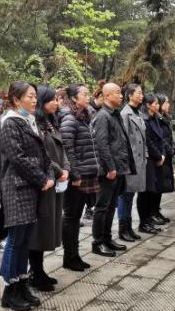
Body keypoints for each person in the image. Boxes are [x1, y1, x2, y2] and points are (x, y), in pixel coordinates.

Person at [0, 82, 53, 311]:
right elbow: (17, 158)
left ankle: (21, 285)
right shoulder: (10, 122)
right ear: (16, 99)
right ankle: (9, 290)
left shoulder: (28, 120)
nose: (34, 100)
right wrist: (41, 178)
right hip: (17, 187)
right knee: (15, 240)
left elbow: (43, 154)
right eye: (30, 96)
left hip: (31, 186)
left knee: (25, 240)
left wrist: (50, 173)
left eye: (35, 96)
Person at [29, 85, 69, 291]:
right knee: (40, 229)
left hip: (57, 181)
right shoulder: (34, 124)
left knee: (50, 227)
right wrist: (59, 170)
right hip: (44, 181)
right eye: (52, 99)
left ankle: (40, 270)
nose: (56, 102)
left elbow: (62, 150)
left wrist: (66, 168)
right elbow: (41, 154)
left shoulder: (51, 122)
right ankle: (35, 272)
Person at [59, 84, 96, 271]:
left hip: (86, 172)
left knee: (76, 216)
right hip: (77, 175)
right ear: (74, 98)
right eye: (84, 94)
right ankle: (69, 256)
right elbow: (67, 148)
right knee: (71, 216)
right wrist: (75, 173)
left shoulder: (84, 117)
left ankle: (75, 254)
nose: (88, 97)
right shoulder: (69, 118)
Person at [90, 82, 130, 257]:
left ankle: (107, 238)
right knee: (102, 206)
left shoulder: (115, 114)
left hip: (118, 168)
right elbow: (102, 144)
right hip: (109, 170)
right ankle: (98, 242)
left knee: (112, 205)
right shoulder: (102, 116)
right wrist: (110, 167)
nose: (121, 96)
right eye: (118, 93)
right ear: (107, 96)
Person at [118, 82, 147, 242]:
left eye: (142, 93)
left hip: (139, 161)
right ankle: (123, 228)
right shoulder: (125, 114)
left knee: (131, 195)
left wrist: (145, 156)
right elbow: (123, 141)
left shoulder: (138, 113)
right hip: (130, 162)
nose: (141, 95)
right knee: (125, 196)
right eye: (139, 93)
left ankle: (128, 227)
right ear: (130, 95)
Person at [137, 93, 167, 234]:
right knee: (146, 192)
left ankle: (149, 219)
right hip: (149, 158)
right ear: (148, 105)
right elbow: (148, 141)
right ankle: (143, 222)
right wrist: (158, 155)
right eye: (155, 103)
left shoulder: (156, 118)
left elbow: (161, 138)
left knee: (153, 191)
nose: (158, 106)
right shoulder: (144, 120)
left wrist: (163, 154)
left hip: (158, 158)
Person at [154, 94, 175, 223]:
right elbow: (161, 138)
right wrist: (168, 149)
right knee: (157, 186)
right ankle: (153, 212)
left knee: (161, 186)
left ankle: (157, 211)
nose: (168, 105)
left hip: (167, 156)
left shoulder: (165, 118)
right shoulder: (156, 119)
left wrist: (174, 147)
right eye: (166, 102)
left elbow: (170, 137)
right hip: (161, 155)